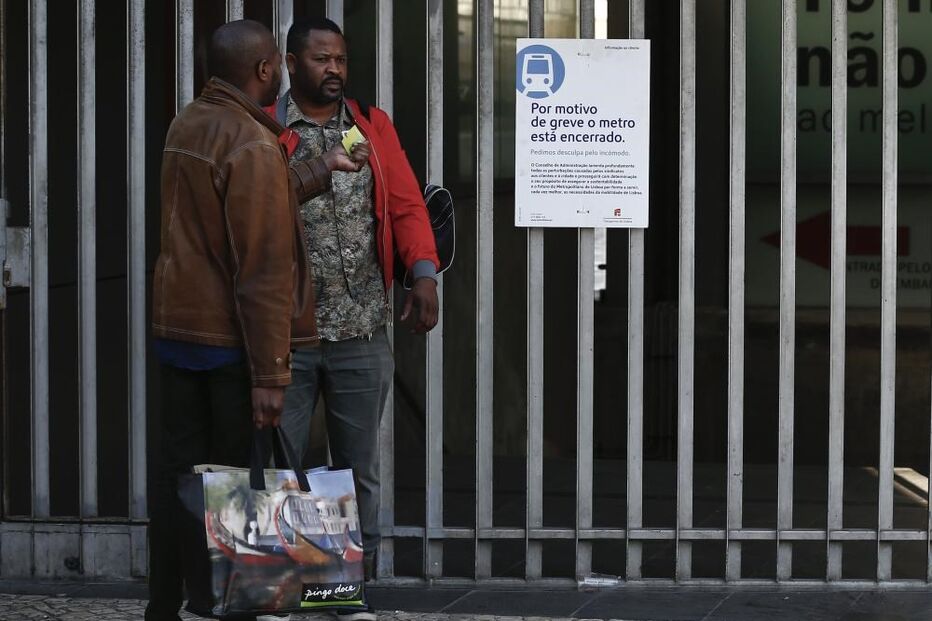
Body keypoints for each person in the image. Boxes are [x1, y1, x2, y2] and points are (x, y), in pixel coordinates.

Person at [146, 19, 365, 621]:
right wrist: (271, 376)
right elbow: (263, 269)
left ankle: (168, 605)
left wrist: (319, 170)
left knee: (177, 479)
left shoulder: (187, 123)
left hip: (177, 336)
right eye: (277, 63)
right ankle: (231, 604)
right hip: (227, 346)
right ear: (267, 69)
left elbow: (229, 210)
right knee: (234, 487)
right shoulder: (251, 141)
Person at [274, 16, 440, 618]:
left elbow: (405, 204)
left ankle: (337, 595)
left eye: (340, 58)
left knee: (353, 470)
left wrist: (423, 270)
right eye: (321, 59)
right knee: (281, 465)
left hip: (362, 325)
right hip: (285, 335)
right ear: (291, 65)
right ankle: (276, 594)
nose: (335, 69)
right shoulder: (267, 131)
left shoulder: (371, 125)